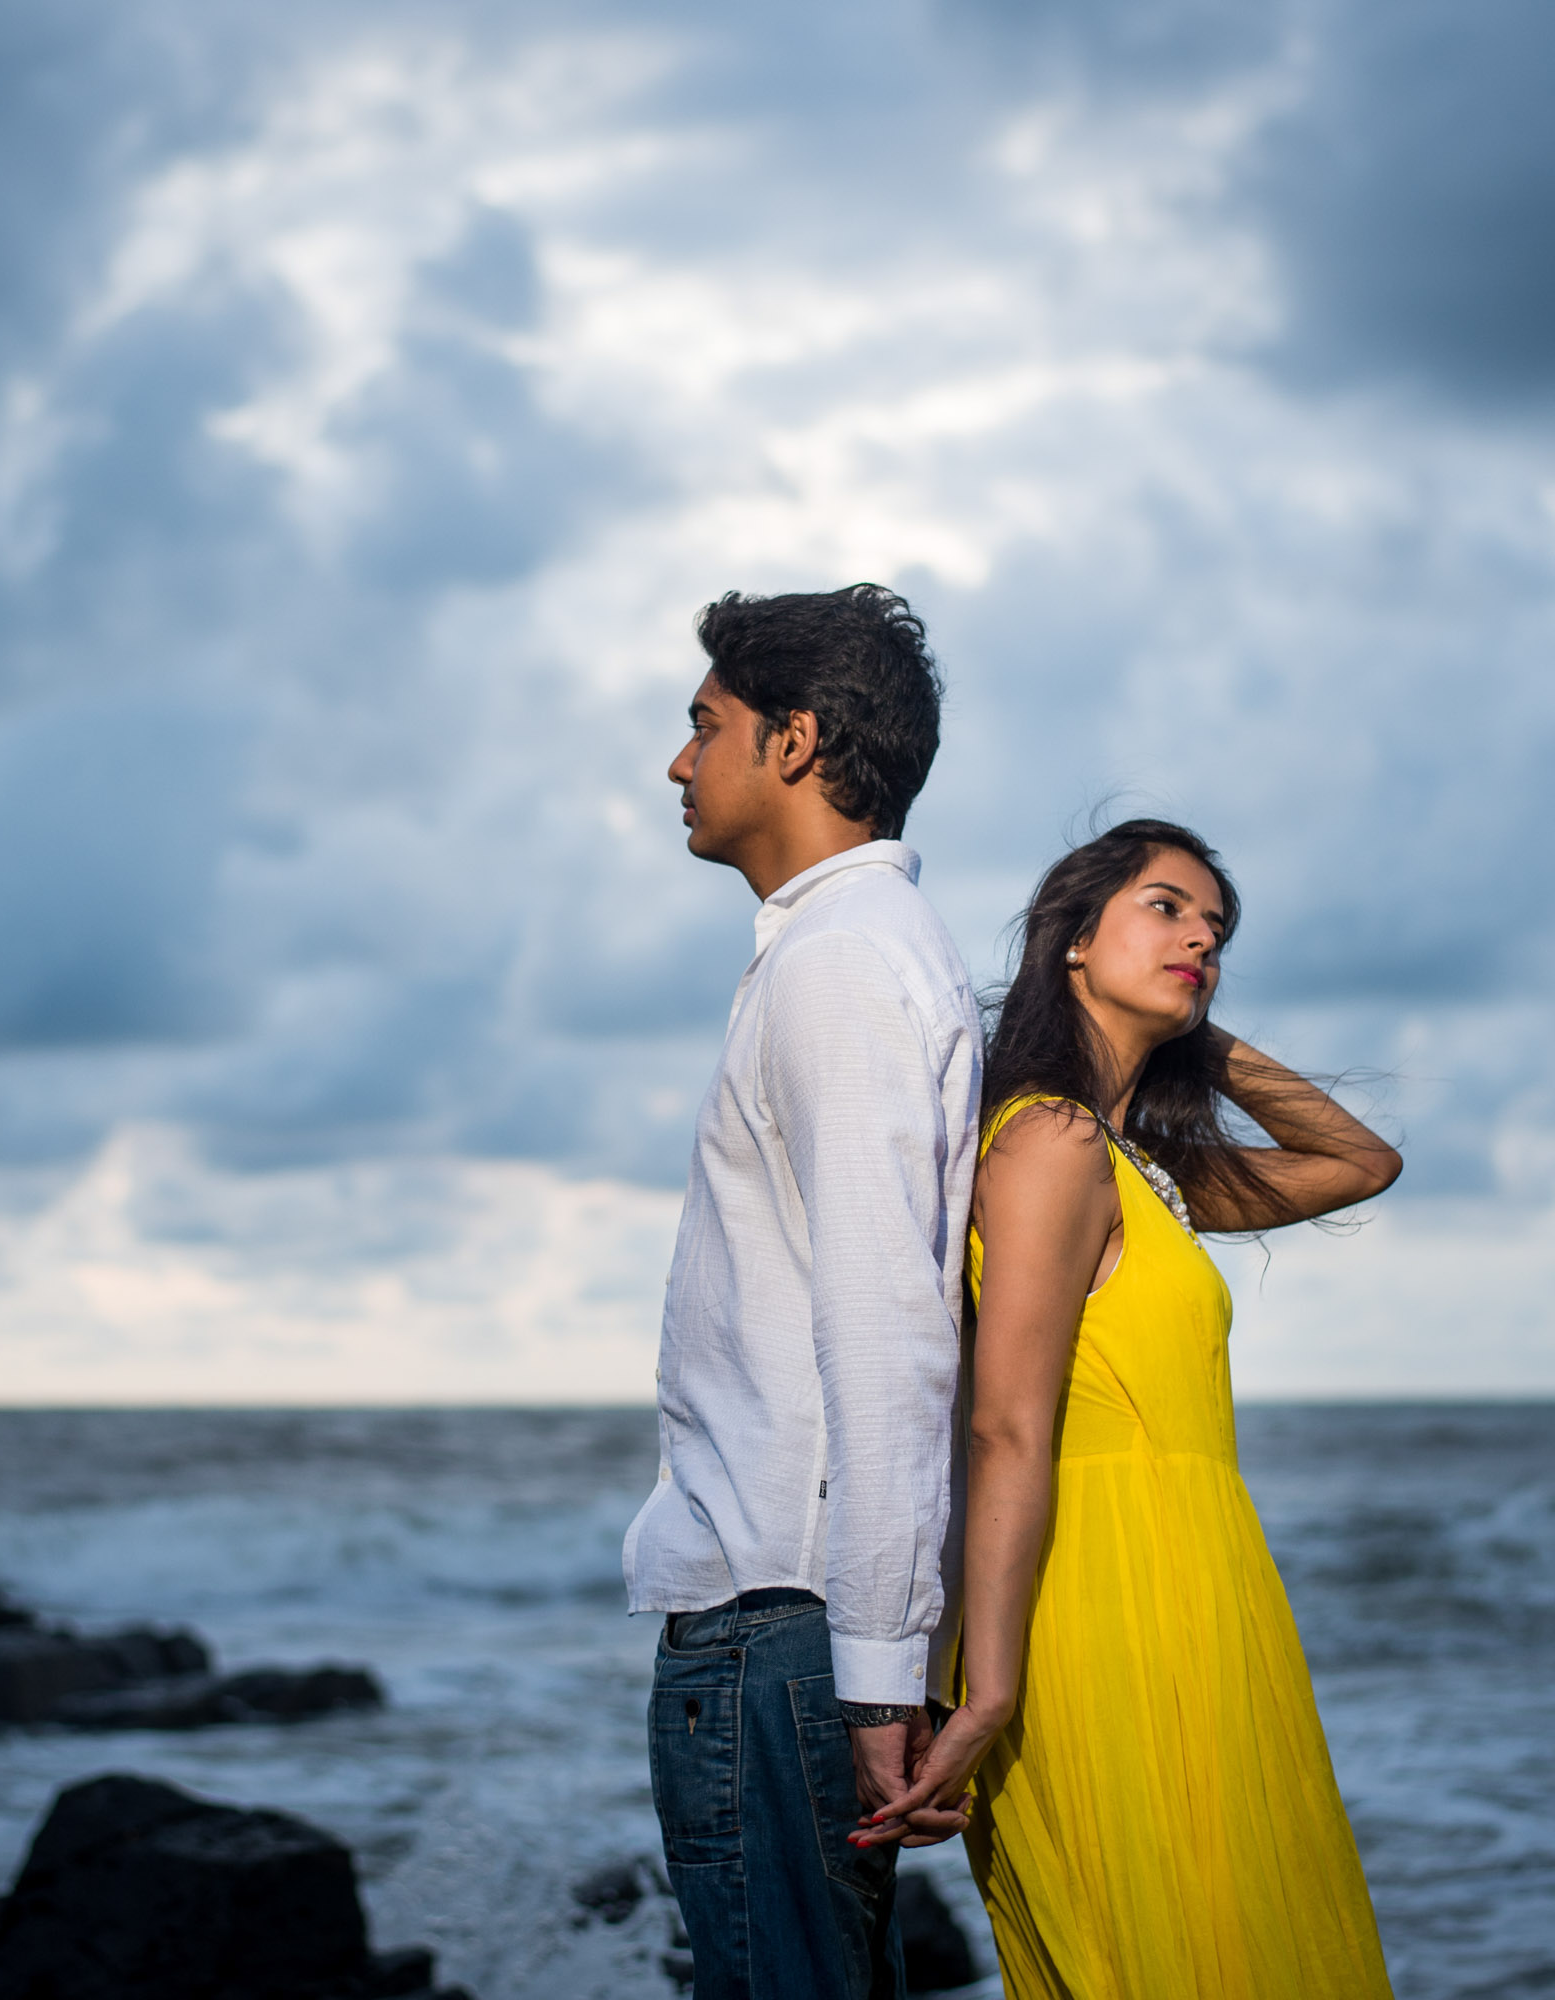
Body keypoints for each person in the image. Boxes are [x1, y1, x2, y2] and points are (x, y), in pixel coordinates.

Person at [864, 818, 1403, 1998]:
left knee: (1240, 1940)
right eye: (1165, 907)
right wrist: (986, 1686)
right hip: (1097, 1601)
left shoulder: (1134, 1165)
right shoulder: (1049, 1143)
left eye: (1216, 927)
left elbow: (1359, 1161)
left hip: (1199, 1588)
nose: (1201, 935)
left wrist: (1194, 1030)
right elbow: (1006, 1425)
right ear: (1072, 940)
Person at [626, 584, 982, 1999]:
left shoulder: (838, 967)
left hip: (783, 1625)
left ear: (794, 741)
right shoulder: (846, 953)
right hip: (801, 1626)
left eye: (701, 725)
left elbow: (890, 1337)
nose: (676, 763)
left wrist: (881, 1674)